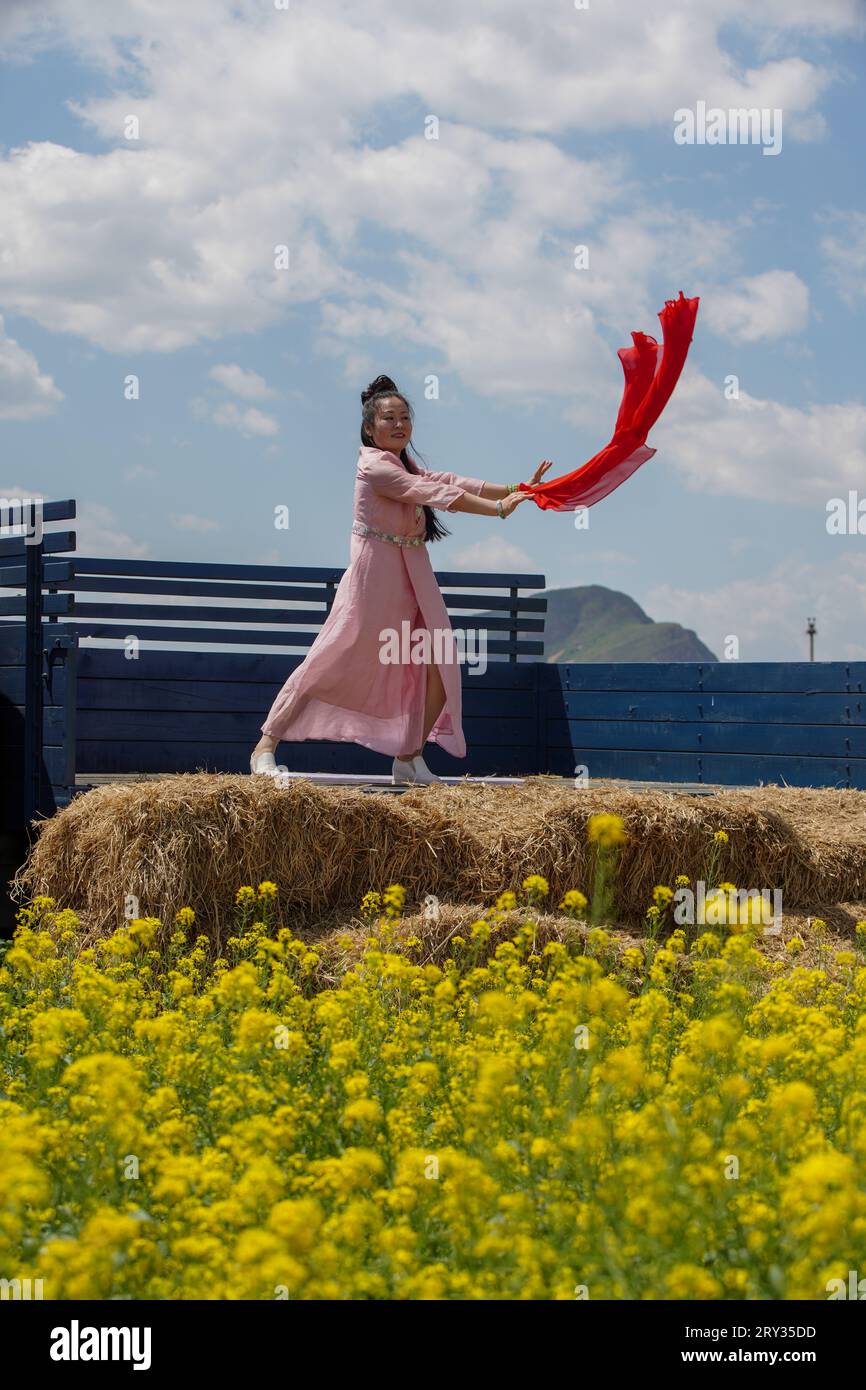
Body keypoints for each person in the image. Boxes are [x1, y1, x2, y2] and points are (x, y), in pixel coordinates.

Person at [250, 374, 553, 784]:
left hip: (415, 572)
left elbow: (448, 481)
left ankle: (409, 758)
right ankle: (266, 745)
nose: (399, 424)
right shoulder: (374, 466)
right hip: (375, 574)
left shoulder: (406, 463)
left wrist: (516, 487)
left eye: (405, 417)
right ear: (370, 428)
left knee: (441, 663)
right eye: (388, 418)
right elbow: (432, 493)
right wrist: (498, 508)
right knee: (331, 657)